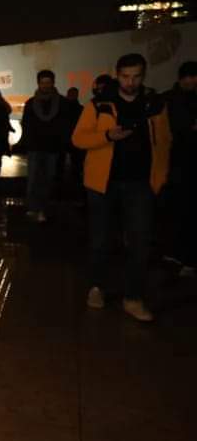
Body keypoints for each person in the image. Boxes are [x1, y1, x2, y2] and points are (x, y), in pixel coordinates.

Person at [73, 53, 171, 322]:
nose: (131, 82)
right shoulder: (100, 104)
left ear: (144, 75)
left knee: (139, 241)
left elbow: (164, 142)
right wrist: (107, 136)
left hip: (141, 184)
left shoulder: (154, 104)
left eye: (136, 76)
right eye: (126, 76)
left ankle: (133, 297)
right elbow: (79, 138)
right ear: (117, 75)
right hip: (102, 183)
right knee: (101, 238)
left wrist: (160, 177)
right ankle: (97, 287)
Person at [164, 61, 197, 275]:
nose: (190, 81)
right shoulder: (170, 98)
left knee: (188, 210)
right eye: (187, 76)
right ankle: (179, 254)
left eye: (193, 76)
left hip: (185, 161)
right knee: (179, 209)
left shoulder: (172, 98)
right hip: (176, 161)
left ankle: (185, 257)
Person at [21, 69, 67, 222]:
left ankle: (43, 209)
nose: (45, 86)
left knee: (48, 179)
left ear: (53, 83)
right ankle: (33, 207)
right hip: (35, 148)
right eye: (43, 83)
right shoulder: (30, 103)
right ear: (38, 84)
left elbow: (65, 126)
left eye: (48, 82)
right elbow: (26, 125)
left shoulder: (62, 103)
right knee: (33, 179)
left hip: (52, 148)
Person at [62, 86, 85, 193]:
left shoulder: (62, 108)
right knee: (76, 166)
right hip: (76, 139)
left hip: (65, 138)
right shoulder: (81, 109)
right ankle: (75, 188)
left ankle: (62, 187)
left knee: (61, 165)